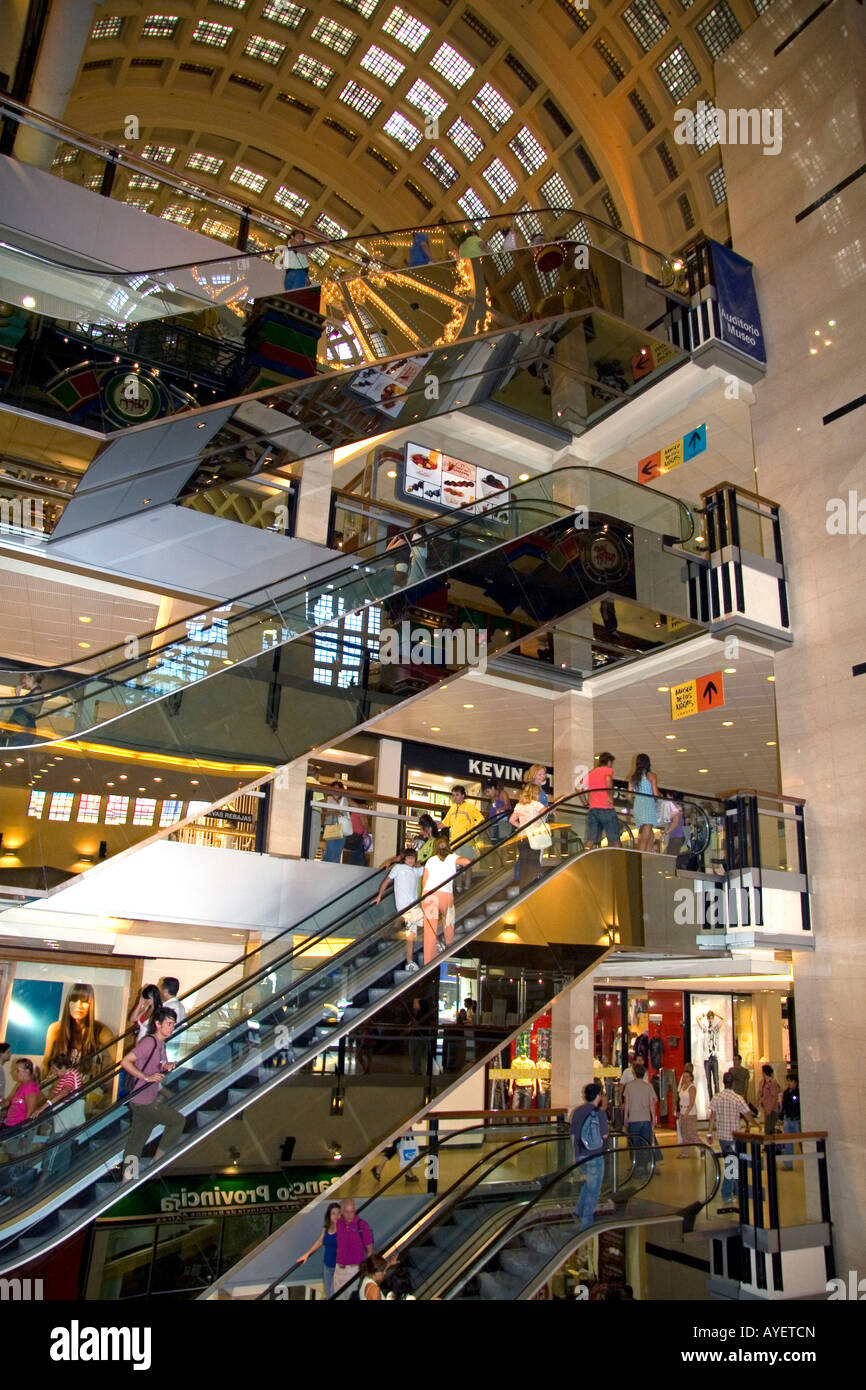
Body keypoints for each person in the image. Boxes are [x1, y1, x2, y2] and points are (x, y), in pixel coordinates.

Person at [120, 1008, 186, 1176]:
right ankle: (156, 1163)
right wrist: (146, 1077)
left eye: (173, 1024)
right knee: (178, 1121)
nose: (172, 1027)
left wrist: (167, 1066)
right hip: (144, 1101)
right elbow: (126, 1062)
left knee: (136, 1142)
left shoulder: (160, 1044)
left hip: (142, 1100)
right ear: (158, 1024)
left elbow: (160, 1063)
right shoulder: (149, 1042)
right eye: (169, 1024)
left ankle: (128, 1179)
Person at [42, 982, 113, 1080]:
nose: (78, 1005)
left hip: (85, 1087)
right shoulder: (55, 1029)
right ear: (68, 1003)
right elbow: (45, 1063)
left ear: (90, 1004)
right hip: (57, 1084)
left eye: (84, 1001)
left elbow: (118, 1060)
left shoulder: (101, 1031)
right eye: (74, 1000)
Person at [420, 836, 472, 964]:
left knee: (429, 929)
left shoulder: (430, 860)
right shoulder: (452, 857)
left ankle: (428, 962)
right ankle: (448, 945)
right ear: (448, 847)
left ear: (435, 847)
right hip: (445, 894)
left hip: (429, 895)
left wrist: (423, 897)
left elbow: (424, 880)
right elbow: (467, 862)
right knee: (448, 919)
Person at [708, 1069, 753, 1213]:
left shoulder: (716, 1098)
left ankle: (735, 1191)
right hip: (734, 1136)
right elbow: (747, 1115)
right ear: (733, 1083)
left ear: (723, 1082)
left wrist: (709, 1133)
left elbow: (712, 1117)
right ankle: (727, 1192)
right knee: (732, 1164)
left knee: (731, 1162)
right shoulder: (737, 1098)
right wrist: (754, 1124)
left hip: (722, 1136)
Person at [376, 846, 423, 971]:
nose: (411, 860)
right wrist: (379, 895)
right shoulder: (398, 868)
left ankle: (409, 962)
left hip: (414, 906)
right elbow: (387, 881)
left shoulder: (416, 871)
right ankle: (409, 961)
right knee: (414, 932)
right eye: (408, 858)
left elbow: (428, 868)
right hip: (405, 907)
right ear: (404, 859)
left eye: (413, 858)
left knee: (411, 935)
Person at [570, 1081, 610, 1230]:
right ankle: (586, 1221)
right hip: (595, 1155)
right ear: (598, 1096)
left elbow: (573, 1135)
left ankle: (579, 1211)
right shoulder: (599, 1113)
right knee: (594, 1188)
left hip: (580, 1154)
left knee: (589, 1184)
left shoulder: (577, 1112)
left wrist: (575, 1154)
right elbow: (604, 1135)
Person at [509, 781, 550, 888]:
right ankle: (530, 889)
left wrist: (522, 826)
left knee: (523, 864)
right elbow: (546, 812)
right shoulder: (536, 804)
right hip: (533, 837)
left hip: (522, 838)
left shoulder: (519, 805)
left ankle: (522, 888)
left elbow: (512, 820)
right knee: (533, 864)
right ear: (535, 793)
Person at [297, 1201, 341, 1299]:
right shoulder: (326, 1228)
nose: (336, 1216)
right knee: (328, 1293)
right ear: (329, 1215)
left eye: (338, 1213)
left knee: (332, 1295)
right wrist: (307, 1254)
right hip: (327, 1266)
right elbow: (320, 1242)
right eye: (333, 1213)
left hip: (338, 1268)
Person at [622, 1061, 658, 1176]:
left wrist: (625, 1117)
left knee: (634, 1145)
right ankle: (645, 1167)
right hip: (645, 1119)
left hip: (633, 1119)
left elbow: (626, 1103)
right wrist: (653, 1118)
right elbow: (652, 1103)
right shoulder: (648, 1087)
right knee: (646, 1144)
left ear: (634, 1073)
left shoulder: (629, 1087)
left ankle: (635, 1166)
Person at [332, 1198, 374, 1295]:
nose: (350, 1215)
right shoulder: (338, 1223)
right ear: (342, 1212)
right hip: (339, 1270)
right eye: (347, 1212)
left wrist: (366, 1270)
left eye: (352, 1211)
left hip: (355, 1270)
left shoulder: (362, 1225)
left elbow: (370, 1250)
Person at [439, 785, 484, 873]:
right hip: (455, 843)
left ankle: (467, 886)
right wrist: (432, 827)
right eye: (453, 795)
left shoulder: (470, 806)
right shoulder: (452, 808)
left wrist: (475, 831)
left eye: (457, 795)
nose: (454, 797)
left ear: (463, 795)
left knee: (467, 866)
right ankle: (459, 886)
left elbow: (481, 819)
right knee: (456, 866)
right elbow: (445, 823)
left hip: (467, 841)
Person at [581, 752, 620, 849]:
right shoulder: (608, 770)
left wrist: (585, 802)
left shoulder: (591, 773)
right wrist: (609, 795)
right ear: (609, 762)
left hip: (593, 809)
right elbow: (607, 779)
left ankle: (584, 859)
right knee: (614, 839)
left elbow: (579, 788)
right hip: (606, 808)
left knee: (590, 839)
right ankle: (616, 860)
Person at [0, 1058, 41, 1151]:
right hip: (11, 1126)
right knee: (10, 1154)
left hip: (19, 1128)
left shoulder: (31, 1088)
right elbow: (10, 1101)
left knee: (15, 1156)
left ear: (27, 1071)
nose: (15, 1073)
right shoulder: (21, 1086)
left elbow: (30, 1113)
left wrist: (24, 1135)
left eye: (18, 1070)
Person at [629, 753, 659, 852]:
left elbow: (629, 796)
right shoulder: (651, 776)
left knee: (648, 834)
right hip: (648, 805)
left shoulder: (633, 778)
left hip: (638, 805)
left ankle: (647, 856)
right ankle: (642, 858)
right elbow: (655, 794)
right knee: (646, 836)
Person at [321, 780, 351, 863]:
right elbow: (323, 812)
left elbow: (356, 806)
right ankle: (326, 869)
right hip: (330, 826)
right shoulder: (328, 798)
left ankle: (334, 869)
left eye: (338, 789)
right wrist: (334, 812)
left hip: (342, 827)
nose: (336, 791)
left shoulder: (345, 799)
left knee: (338, 851)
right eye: (334, 789)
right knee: (330, 850)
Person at [676, 1063, 700, 1151]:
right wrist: (679, 1111)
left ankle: (703, 1148)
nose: (685, 1078)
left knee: (691, 1133)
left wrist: (686, 1113)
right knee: (684, 1134)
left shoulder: (692, 1087)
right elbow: (679, 1099)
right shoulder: (682, 1087)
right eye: (684, 1076)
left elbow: (692, 1102)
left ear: (691, 1077)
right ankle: (685, 1152)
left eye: (687, 1077)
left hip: (690, 1113)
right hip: (682, 1111)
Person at [780, 1071, 800, 1171]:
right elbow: (783, 1106)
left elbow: (798, 1105)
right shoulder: (786, 1092)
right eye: (788, 1081)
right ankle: (788, 1165)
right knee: (788, 1144)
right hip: (787, 1120)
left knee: (802, 1142)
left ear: (795, 1082)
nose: (789, 1083)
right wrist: (781, 1118)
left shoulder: (799, 1093)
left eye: (791, 1081)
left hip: (797, 1120)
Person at [484, 779, 512, 845]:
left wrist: (499, 809)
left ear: (493, 788)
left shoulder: (503, 793)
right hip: (494, 822)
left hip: (503, 822)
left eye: (488, 791)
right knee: (495, 843)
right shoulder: (492, 797)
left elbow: (508, 806)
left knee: (503, 843)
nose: (488, 794)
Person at [757, 1063, 782, 1135]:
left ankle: (771, 1144)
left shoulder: (772, 1082)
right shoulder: (762, 1082)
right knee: (768, 1127)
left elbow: (774, 1096)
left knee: (769, 1128)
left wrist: (770, 1109)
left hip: (772, 1108)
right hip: (766, 1107)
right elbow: (760, 1094)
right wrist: (757, 1103)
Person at [663, 792, 686, 858]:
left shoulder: (674, 807)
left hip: (676, 837)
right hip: (676, 836)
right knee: (671, 856)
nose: (666, 799)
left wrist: (665, 833)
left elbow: (675, 823)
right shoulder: (677, 807)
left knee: (671, 857)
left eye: (668, 797)